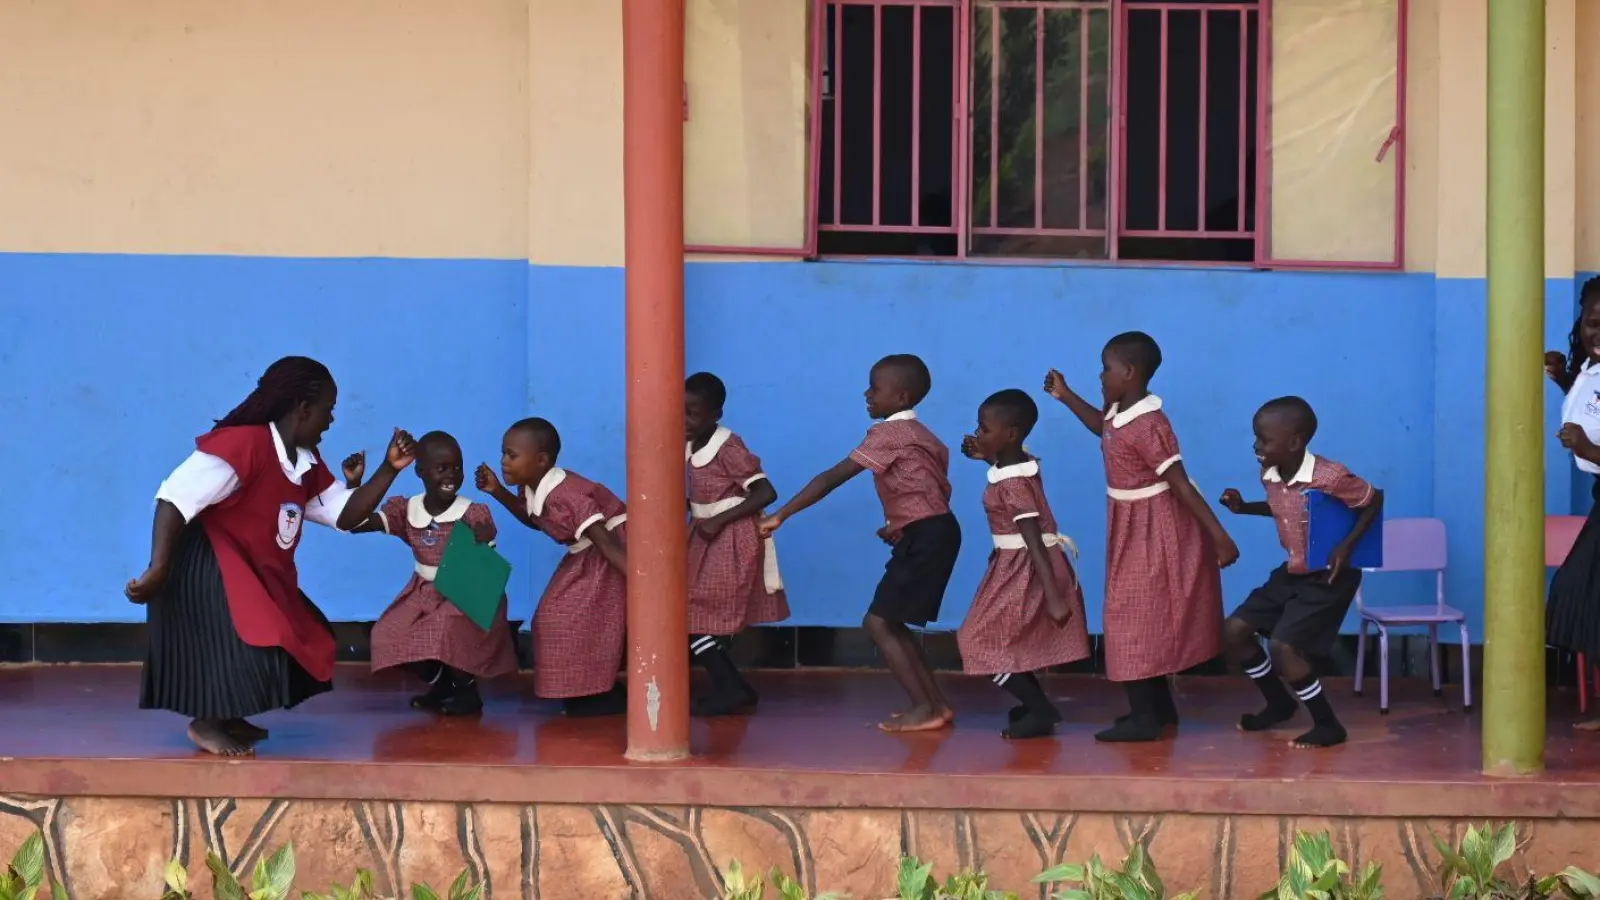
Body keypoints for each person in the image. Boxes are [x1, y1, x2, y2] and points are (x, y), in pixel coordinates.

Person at [125, 356, 415, 757]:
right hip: (210, 563)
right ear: (303, 410)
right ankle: (206, 722)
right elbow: (174, 498)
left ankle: (229, 714)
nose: (331, 421)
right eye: (328, 411)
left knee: (302, 636)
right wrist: (158, 567)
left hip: (257, 570)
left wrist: (389, 469)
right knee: (259, 637)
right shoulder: (243, 443)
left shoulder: (306, 462)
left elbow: (343, 515)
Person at [1044, 332, 1238, 743]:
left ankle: (1144, 717)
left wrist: (1220, 537)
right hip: (1129, 520)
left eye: (1105, 368)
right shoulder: (1119, 410)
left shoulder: (1151, 424)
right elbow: (1104, 428)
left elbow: (1181, 485)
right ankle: (1159, 710)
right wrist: (1065, 395)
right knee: (1140, 614)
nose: (1100, 375)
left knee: (1130, 616)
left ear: (1128, 373)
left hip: (1156, 527)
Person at [760, 354, 961, 733]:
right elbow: (931, 486)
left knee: (878, 622)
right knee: (893, 622)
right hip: (932, 531)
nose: (866, 394)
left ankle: (926, 706)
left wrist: (781, 515)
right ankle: (935, 704)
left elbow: (832, 477)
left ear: (900, 397)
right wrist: (900, 522)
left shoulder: (889, 434)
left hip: (928, 535)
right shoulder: (925, 436)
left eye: (875, 387)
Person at [1218, 397, 1382, 748]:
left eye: (1264, 439)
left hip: (1328, 578)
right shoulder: (1271, 473)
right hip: (1293, 571)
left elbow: (1373, 500)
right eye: (1256, 438)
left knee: (1284, 647)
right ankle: (1278, 702)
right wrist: (1244, 507)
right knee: (1233, 632)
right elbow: (1284, 509)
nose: (1256, 446)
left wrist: (1346, 547)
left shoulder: (1330, 476)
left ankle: (1328, 725)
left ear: (1294, 442)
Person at [344, 432, 519, 717]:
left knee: (445, 629)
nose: (452, 474)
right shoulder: (408, 510)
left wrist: (485, 537)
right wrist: (354, 484)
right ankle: (443, 683)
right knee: (385, 636)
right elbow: (357, 523)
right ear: (420, 472)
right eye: (441, 469)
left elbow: (487, 549)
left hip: (465, 590)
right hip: (423, 590)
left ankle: (468, 692)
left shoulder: (471, 512)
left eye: (457, 467)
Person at [957, 389, 1091, 739]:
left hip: (1024, 569)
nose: (978, 434)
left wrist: (1054, 596)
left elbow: (1032, 536)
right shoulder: (1013, 467)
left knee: (977, 640)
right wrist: (986, 456)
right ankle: (1033, 705)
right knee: (1002, 640)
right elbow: (1006, 476)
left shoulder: (1014, 481)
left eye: (984, 430)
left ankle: (1041, 709)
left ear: (1012, 434)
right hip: (1011, 563)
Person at [477, 417, 628, 716]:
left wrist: (643, 581)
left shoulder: (567, 494)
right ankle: (586, 689)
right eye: (503, 453)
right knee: (555, 617)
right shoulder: (533, 486)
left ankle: (597, 694)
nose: (504, 462)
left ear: (541, 460)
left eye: (512, 455)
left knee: (568, 618)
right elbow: (534, 519)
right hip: (590, 552)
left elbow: (606, 541)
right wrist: (496, 491)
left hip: (611, 551)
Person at [684, 372, 790, 717]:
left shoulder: (728, 446)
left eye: (693, 413)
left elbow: (765, 492)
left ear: (716, 413)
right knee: (691, 613)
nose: (683, 420)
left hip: (730, 537)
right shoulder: (689, 443)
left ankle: (729, 689)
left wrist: (716, 520)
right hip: (704, 535)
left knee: (697, 615)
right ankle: (735, 687)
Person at [1546, 277, 1600, 731]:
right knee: (1583, 594)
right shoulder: (1591, 369)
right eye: (1591, 324)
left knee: (1577, 590)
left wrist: (1588, 450)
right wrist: (1564, 376)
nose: (1596, 334)